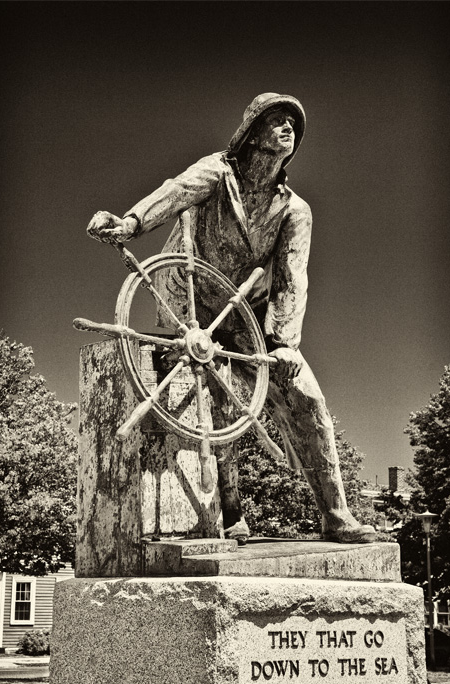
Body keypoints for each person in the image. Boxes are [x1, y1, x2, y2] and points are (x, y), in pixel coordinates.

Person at [87, 92, 376, 545]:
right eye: (277, 120)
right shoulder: (218, 172)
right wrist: (130, 224)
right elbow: (176, 190)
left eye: (293, 124)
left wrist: (284, 342)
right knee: (214, 395)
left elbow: (292, 278)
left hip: (248, 313)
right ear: (253, 133)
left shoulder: (295, 210)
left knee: (307, 397)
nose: (289, 129)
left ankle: (336, 515)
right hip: (191, 296)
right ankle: (231, 513)